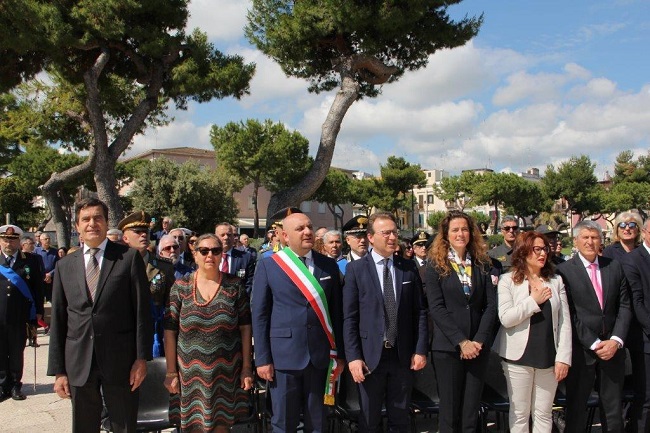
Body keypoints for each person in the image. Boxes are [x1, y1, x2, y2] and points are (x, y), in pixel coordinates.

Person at [47, 198, 153, 433]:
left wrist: (141, 359)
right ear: (77, 226)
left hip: (121, 361)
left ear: (106, 223)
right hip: (78, 361)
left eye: (98, 218)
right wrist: (59, 371)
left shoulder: (128, 258)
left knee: (124, 425)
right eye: (85, 219)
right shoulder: (65, 265)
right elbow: (58, 319)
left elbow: (142, 313)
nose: (92, 223)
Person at [252, 211, 344, 433]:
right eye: (300, 228)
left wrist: (340, 354)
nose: (308, 232)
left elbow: (337, 312)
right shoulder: (269, 265)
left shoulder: (328, 265)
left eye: (310, 227)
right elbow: (260, 314)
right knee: (284, 422)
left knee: (318, 422)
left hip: (320, 357)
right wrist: (262, 359)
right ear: (284, 236)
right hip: (284, 358)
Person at [343, 212, 428, 432]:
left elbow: (420, 312)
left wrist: (420, 350)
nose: (392, 237)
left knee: (400, 419)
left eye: (395, 232)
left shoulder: (407, 268)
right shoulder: (356, 269)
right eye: (386, 233)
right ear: (370, 237)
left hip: (402, 357)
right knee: (369, 420)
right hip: (370, 357)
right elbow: (350, 318)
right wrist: (353, 357)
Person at [163, 234, 253, 432]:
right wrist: (171, 372)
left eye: (215, 251)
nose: (209, 255)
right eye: (204, 251)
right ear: (194, 255)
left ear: (222, 255)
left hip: (226, 374)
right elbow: (170, 332)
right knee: (192, 427)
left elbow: (246, 328)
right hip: (189, 376)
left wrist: (247, 368)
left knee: (222, 426)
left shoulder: (234, 286)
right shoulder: (181, 287)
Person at [557, 220, 632, 433]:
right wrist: (595, 343)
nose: (590, 242)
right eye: (585, 237)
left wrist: (616, 340)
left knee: (613, 410)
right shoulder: (564, 271)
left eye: (594, 237)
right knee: (577, 409)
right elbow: (568, 313)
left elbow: (625, 305)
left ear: (601, 241)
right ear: (576, 241)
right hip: (583, 351)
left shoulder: (614, 266)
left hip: (613, 350)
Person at [425, 210, 497, 433]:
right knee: (450, 413)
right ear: (445, 234)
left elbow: (491, 306)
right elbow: (436, 308)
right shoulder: (435, 265)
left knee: (470, 412)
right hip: (448, 348)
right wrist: (461, 342)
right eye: (455, 229)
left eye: (465, 229)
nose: (460, 234)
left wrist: (478, 341)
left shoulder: (482, 263)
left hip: (478, 348)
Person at [493, 231, 572, 433]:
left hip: (548, 357)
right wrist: (532, 302)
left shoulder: (556, 281)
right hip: (518, 358)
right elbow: (506, 318)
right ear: (523, 251)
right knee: (520, 415)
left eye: (544, 248)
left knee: (543, 414)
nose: (542, 254)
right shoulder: (507, 280)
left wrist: (564, 357)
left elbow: (564, 322)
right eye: (536, 249)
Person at [118, 211, 175, 358]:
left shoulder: (164, 267)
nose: (143, 235)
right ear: (125, 238)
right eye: (137, 232)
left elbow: (171, 303)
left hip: (155, 334)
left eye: (146, 231)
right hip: (124, 333)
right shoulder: (115, 265)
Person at [0, 225, 44, 400]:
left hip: (21, 315)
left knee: (17, 350)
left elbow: (38, 288)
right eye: (5, 239)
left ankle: (16, 386)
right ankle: (3, 384)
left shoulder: (31, 260)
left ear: (19, 241)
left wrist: (39, 311)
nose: (8, 243)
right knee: (1, 351)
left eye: (12, 239)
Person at [621, 218, 650, 432]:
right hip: (645, 339)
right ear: (646, 232)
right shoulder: (633, 260)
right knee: (646, 397)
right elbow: (636, 302)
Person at [215, 223, 255, 295]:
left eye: (229, 235)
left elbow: (250, 283)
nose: (226, 237)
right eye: (222, 235)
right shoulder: (209, 257)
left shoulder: (245, 258)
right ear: (215, 237)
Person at [34, 233, 59, 303]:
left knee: (51, 299)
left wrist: (50, 274)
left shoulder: (55, 251)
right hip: (40, 278)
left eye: (49, 239)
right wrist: (43, 275)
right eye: (45, 239)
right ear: (41, 240)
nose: (48, 240)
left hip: (52, 279)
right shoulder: (36, 251)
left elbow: (58, 265)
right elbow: (35, 265)